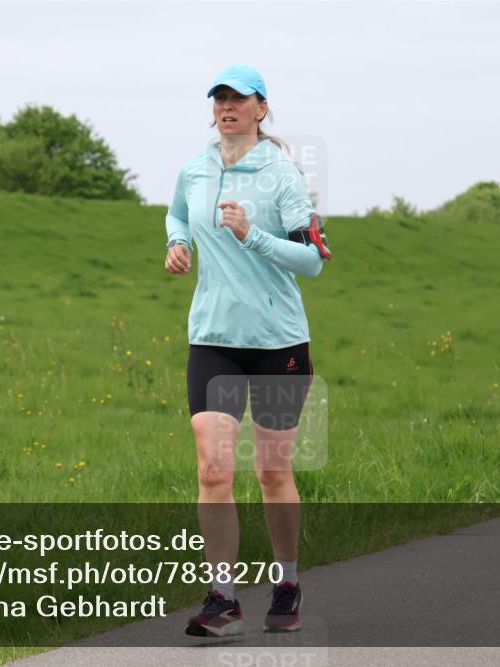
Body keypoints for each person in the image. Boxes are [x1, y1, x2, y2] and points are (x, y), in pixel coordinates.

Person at [164, 63, 332, 637]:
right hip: (212, 338)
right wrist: (178, 240)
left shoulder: (282, 174)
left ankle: (286, 580)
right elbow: (177, 211)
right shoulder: (195, 168)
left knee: (270, 470)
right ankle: (224, 598)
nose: (227, 106)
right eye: (219, 98)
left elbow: (310, 260)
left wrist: (250, 235)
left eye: (239, 98)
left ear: (262, 108)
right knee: (213, 469)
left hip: (278, 343)